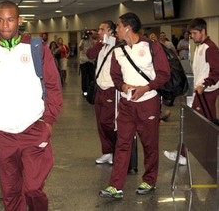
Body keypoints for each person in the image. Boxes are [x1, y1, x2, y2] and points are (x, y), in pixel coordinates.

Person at [0, 0, 63, 211]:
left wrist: (48, 121)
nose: (5, 25)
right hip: (3, 134)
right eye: (0, 20)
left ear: (19, 21)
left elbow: (54, 87)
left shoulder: (37, 48)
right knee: (10, 193)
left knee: (33, 189)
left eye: (10, 20)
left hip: (34, 129)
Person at [100, 12, 170, 199]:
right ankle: (116, 186)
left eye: (119, 26)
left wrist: (146, 87)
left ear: (128, 28)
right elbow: (115, 77)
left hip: (148, 103)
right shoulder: (118, 51)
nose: (117, 30)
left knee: (150, 144)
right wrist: (123, 86)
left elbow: (164, 74)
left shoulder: (152, 47)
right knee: (122, 143)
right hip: (126, 104)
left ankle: (149, 180)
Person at [164, 18, 219, 165]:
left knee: (194, 124)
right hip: (201, 92)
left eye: (195, 33)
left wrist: (204, 85)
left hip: (206, 92)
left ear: (203, 31)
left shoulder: (210, 48)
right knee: (208, 126)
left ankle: (183, 155)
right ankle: (207, 155)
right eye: (191, 34)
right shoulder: (200, 47)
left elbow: (216, 71)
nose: (192, 36)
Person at [86, 20, 117, 165]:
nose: (99, 32)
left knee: (107, 122)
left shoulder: (117, 46)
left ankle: (115, 150)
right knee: (100, 122)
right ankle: (107, 152)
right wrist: (100, 42)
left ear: (111, 32)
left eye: (102, 29)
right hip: (100, 88)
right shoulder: (101, 46)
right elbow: (90, 54)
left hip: (111, 89)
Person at [79, 30, 95, 96]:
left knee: (91, 77)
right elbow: (80, 48)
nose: (87, 36)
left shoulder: (92, 41)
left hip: (91, 61)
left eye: (88, 35)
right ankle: (85, 91)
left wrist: (90, 40)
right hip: (83, 61)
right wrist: (83, 40)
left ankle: (90, 90)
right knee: (84, 77)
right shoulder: (82, 41)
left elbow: (94, 47)